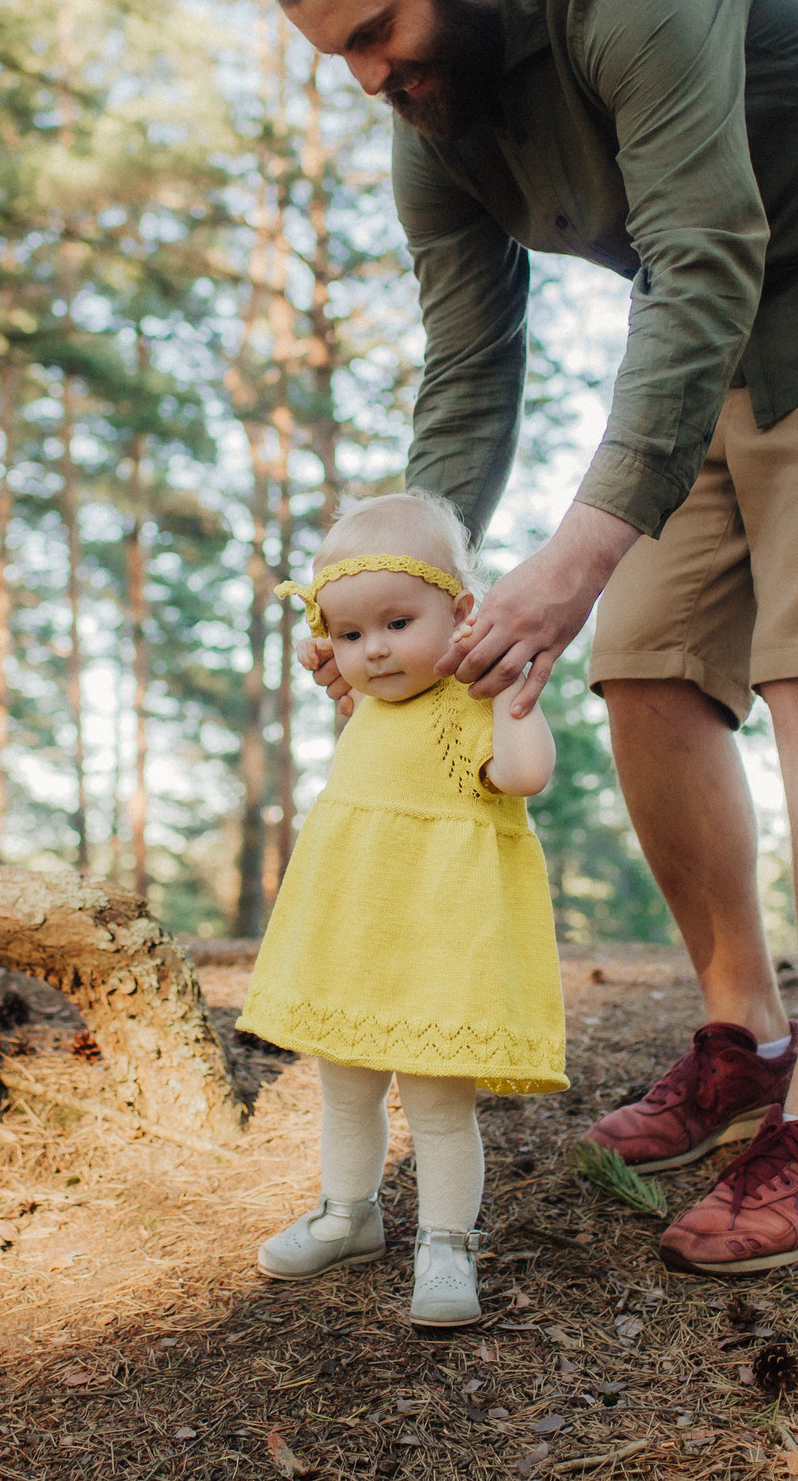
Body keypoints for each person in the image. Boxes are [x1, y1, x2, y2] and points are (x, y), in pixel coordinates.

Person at [270, 0, 798, 1275]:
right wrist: (394, 596)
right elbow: (469, 366)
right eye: (337, 56)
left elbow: (708, 246)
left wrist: (579, 546)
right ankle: (746, 1033)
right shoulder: (430, 121)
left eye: (376, 32)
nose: (368, 75)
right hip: (714, 332)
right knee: (647, 666)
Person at [234, 492, 562, 1327]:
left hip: (439, 943)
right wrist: (343, 673)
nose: (372, 650)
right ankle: (348, 1215)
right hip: (357, 933)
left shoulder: (468, 706)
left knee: (438, 1105)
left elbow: (523, 778)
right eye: (349, 634)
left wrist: (513, 683)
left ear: (461, 614)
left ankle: (446, 1242)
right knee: (344, 1088)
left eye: (395, 623)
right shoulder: (367, 707)